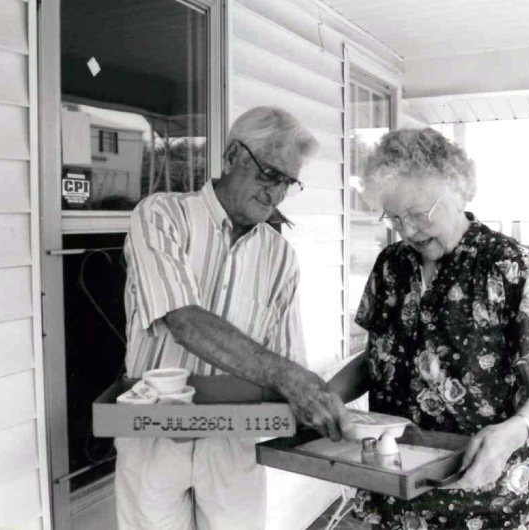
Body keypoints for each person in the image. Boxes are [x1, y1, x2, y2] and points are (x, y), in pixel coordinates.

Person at [116, 106, 354, 530]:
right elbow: (184, 320)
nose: (277, 194)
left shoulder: (280, 256)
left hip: (233, 440)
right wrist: (290, 378)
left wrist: (329, 414)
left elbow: (283, 361)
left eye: (288, 182)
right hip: (153, 434)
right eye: (270, 175)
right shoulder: (161, 215)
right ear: (232, 156)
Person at [329, 128, 529, 529]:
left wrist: (513, 433)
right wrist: (321, 398)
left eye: (419, 214)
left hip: (482, 493)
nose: (406, 231)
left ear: (458, 191)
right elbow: (377, 361)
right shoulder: (391, 265)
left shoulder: (510, 266)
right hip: (397, 485)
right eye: (394, 217)